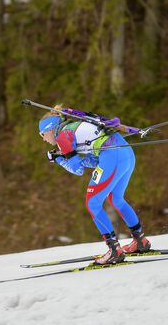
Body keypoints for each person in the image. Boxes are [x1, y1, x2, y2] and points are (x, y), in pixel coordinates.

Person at [38, 107, 151, 265]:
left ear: (49, 130)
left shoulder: (63, 137)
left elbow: (77, 170)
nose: (43, 139)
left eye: (42, 134)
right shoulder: (74, 127)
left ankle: (114, 250)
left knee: (92, 203)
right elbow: (93, 161)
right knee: (116, 198)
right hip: (126, 154)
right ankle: (140, 241)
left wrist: (58, 159)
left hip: (113, 157)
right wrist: (65, 156)